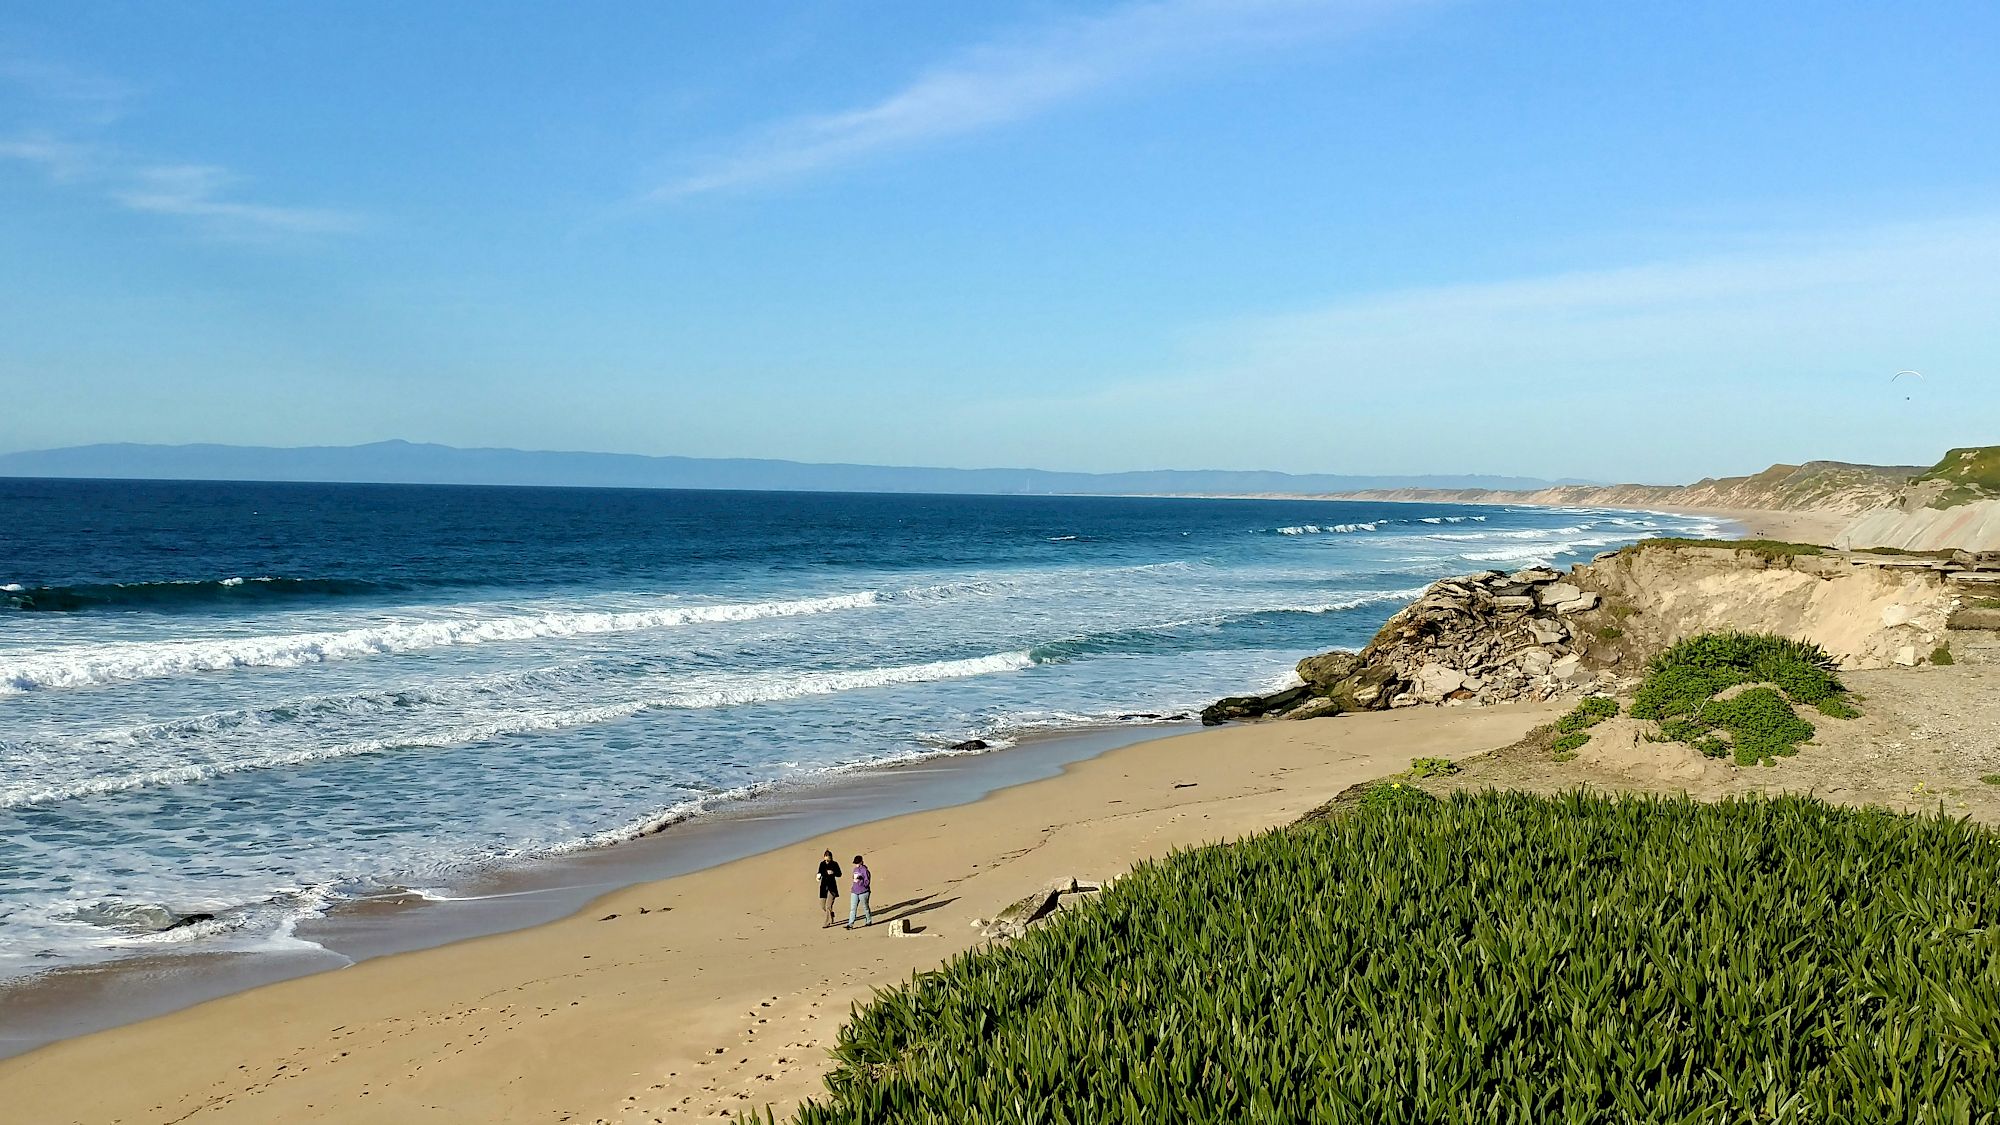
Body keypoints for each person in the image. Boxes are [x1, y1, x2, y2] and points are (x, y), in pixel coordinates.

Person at [816, 850, 843, 927]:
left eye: (829, 858)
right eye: (826, 857)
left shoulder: (835, 864)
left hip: (832, 887)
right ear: (824, 857)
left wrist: (833, 872)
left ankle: (827, 922)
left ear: (831, 857)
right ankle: (831, 914)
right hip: (823, 887)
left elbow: (839, 874)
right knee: (822, 905)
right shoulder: (822, 864)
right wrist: (818, 876)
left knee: (828, 906)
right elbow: (820, 873)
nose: (827, 859)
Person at [846, 854, 872, 929]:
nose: (857, 864)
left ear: (861, 862)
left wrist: (861, 880)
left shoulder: (865, 870)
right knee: (853, 908)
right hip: (854, 891)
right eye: (855, 863)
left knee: (865, 907)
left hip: (863, 892)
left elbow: (867, 882)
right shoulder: (855, 870)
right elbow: (854, 880)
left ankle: (868, 921)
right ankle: (850, 924)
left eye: (858, 863)